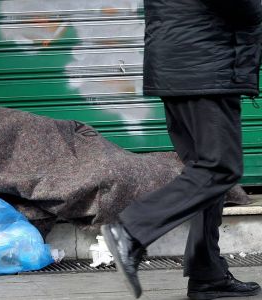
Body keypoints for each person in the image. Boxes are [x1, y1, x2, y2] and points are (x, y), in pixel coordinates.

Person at [101, 1, 262, 299]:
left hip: (180, 63)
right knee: (219, 167)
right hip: (204, 64)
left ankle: (207, 274)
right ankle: (131, 231)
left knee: (205, 173)